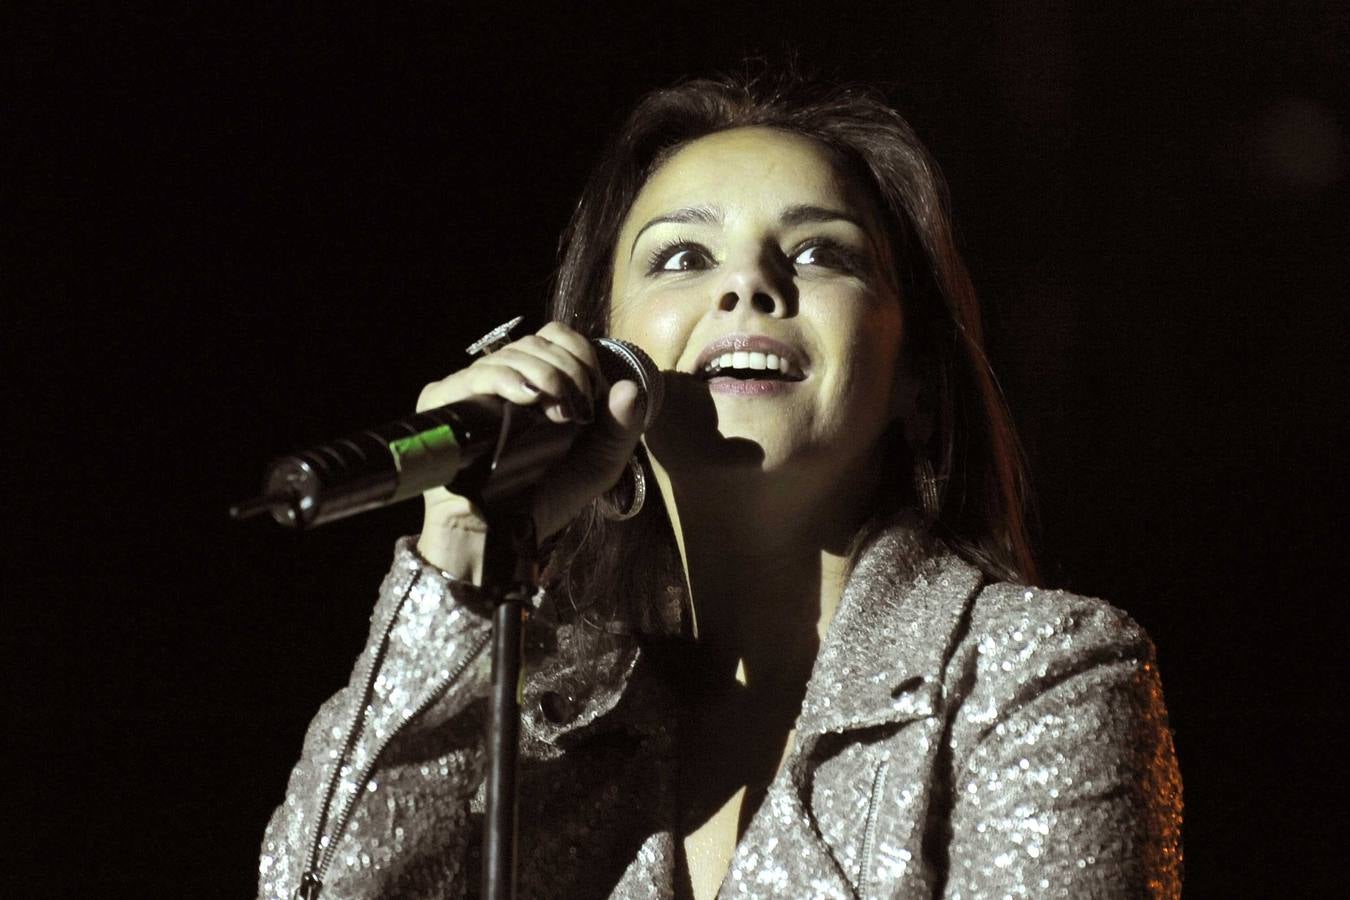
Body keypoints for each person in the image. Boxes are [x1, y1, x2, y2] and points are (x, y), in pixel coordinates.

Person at [258, 72, 1182, 899]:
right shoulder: (546, 715)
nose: (749, 283)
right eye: (682, 258)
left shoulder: (1035, 675)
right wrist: (458, 554)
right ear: (600, 357)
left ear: (917, 378)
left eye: (822, 253)